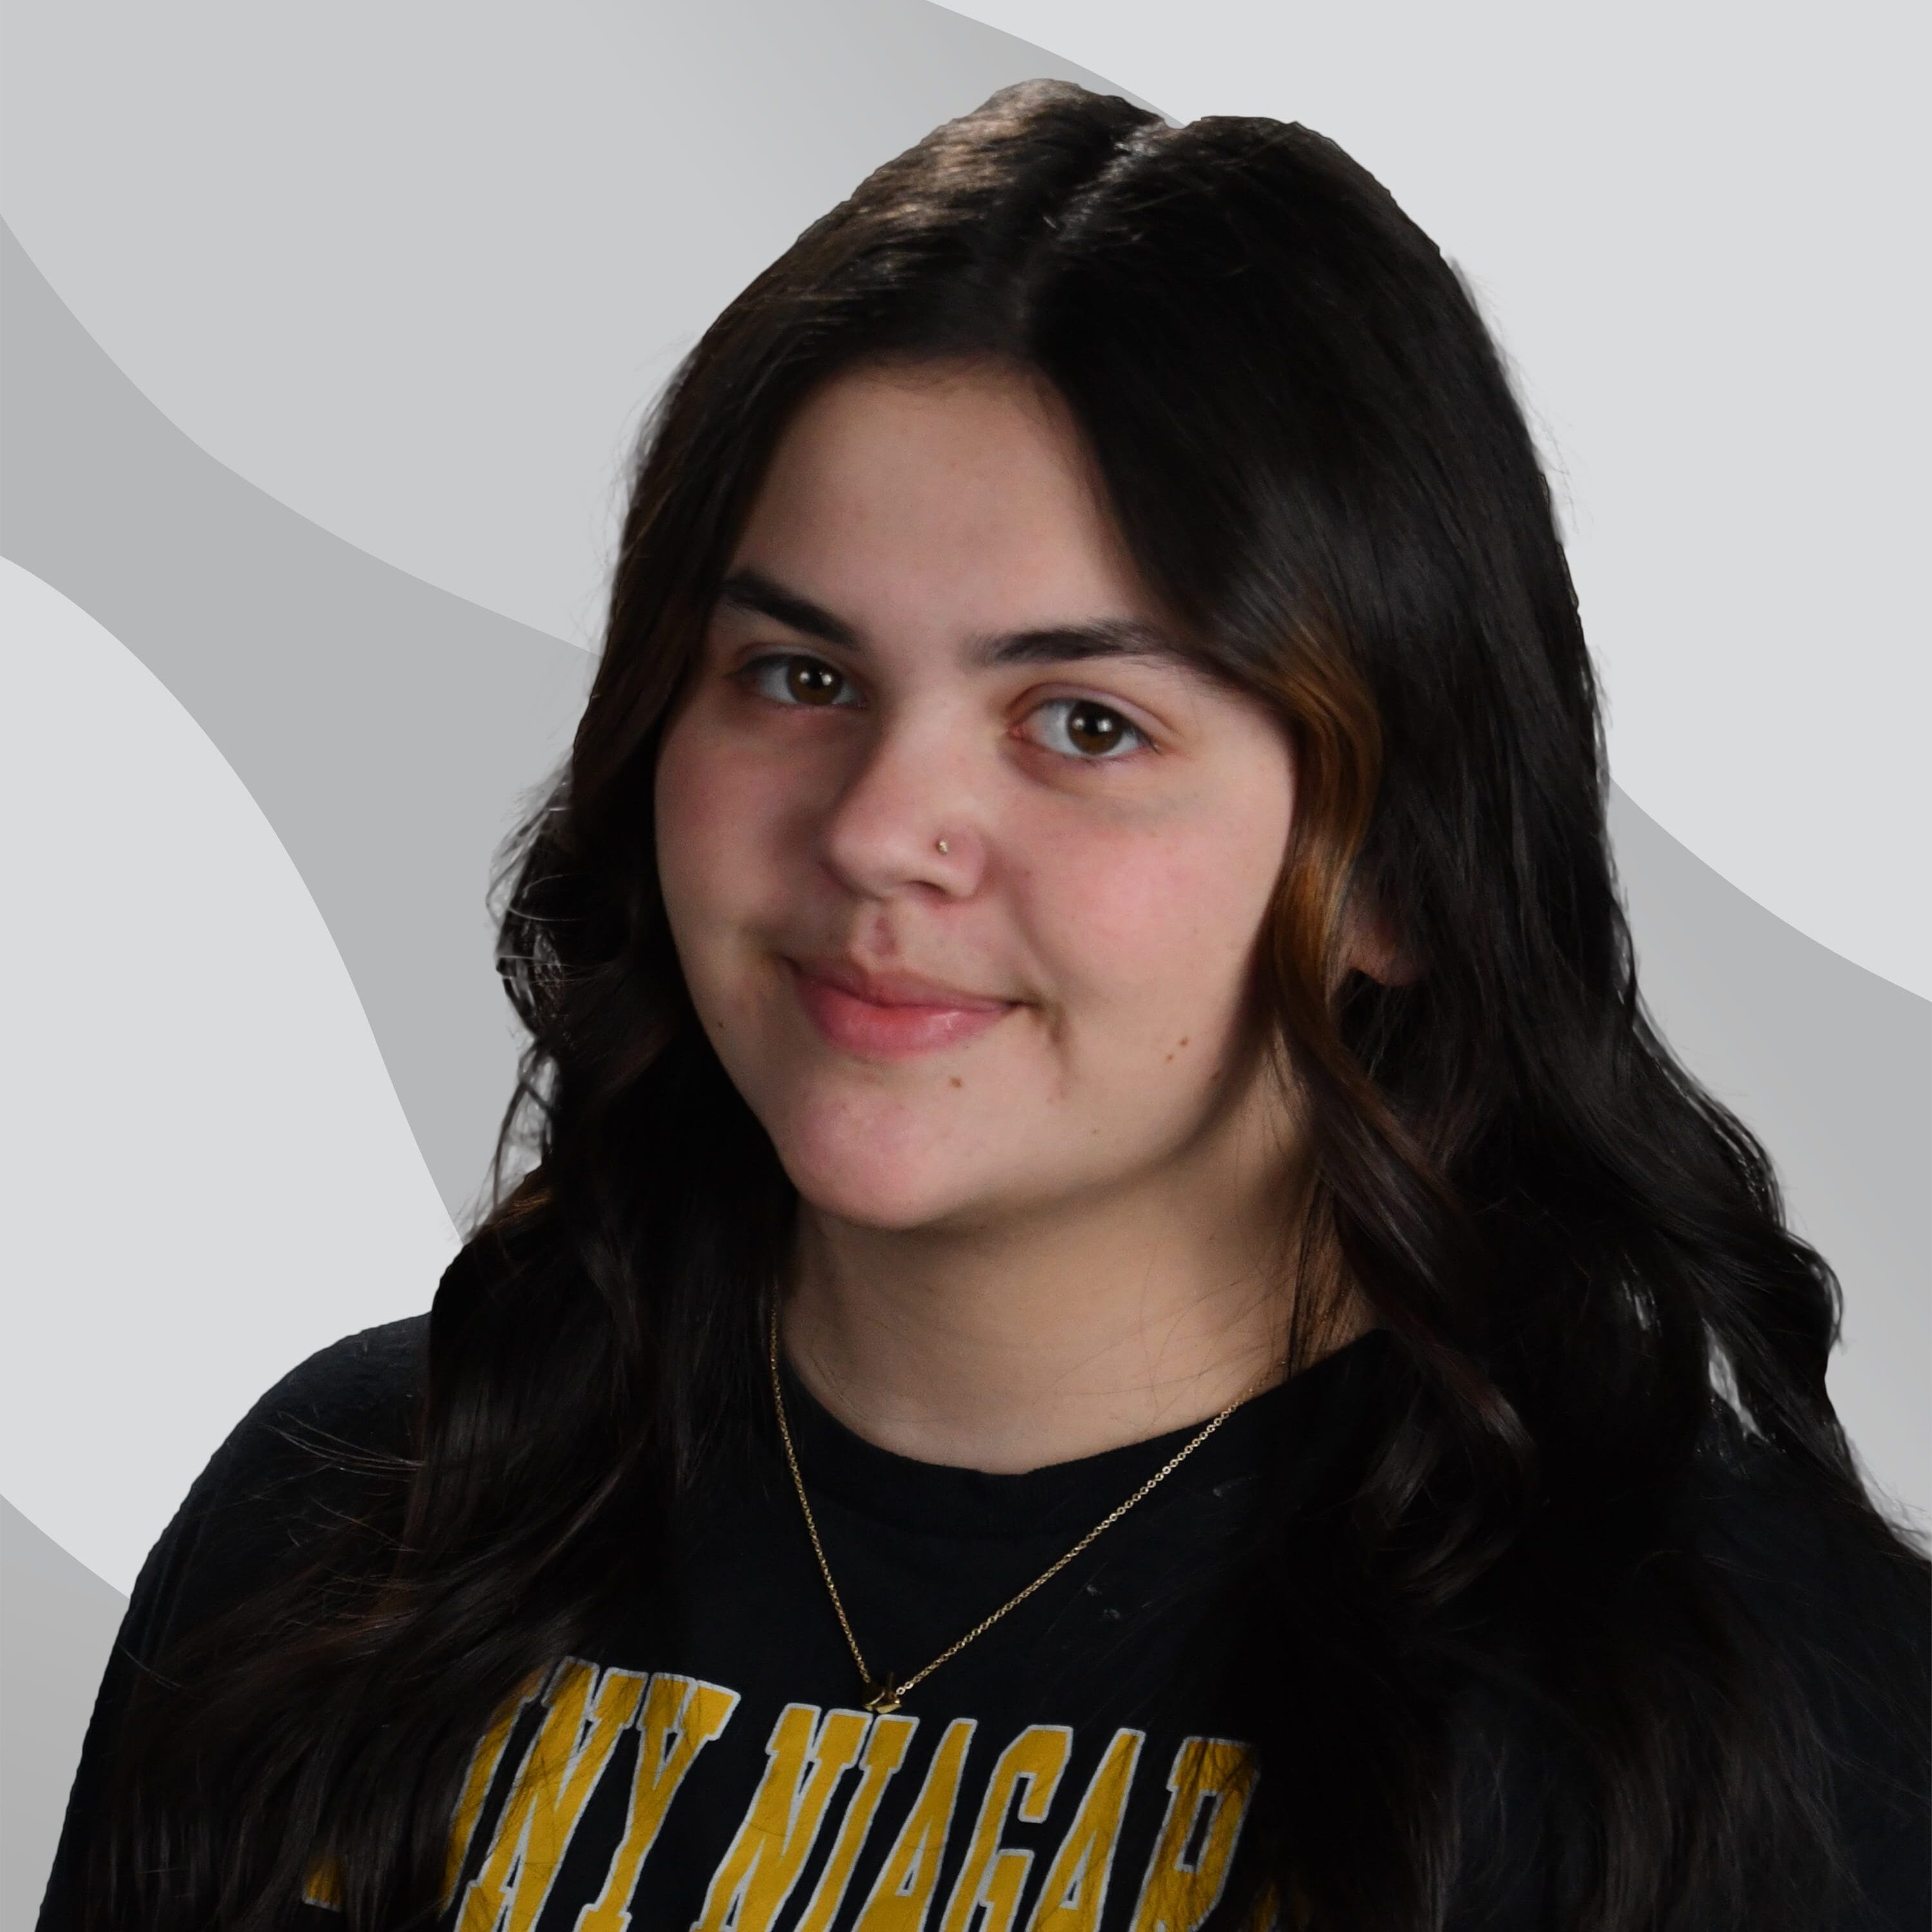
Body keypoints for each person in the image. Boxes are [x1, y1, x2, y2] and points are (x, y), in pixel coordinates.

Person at [39, 79, 1927, 1932]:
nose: (879, 834)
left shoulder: (1745, 1709)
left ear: (1404, 877)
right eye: (795, 675)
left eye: (1085, 723)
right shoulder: (341, 1530)